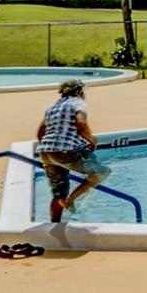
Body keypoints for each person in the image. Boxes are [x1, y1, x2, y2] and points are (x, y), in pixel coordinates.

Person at [34, 80, 111, 222]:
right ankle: (71, 199)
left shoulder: (52, 108)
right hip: (66, 151)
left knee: (58, 195)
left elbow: (40, 133)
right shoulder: (78, 102)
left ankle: (55, 225)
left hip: (45, 153)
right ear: (78, 91)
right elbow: (80, 124)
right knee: (102, 172)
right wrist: (92, 141)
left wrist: (51, 150)